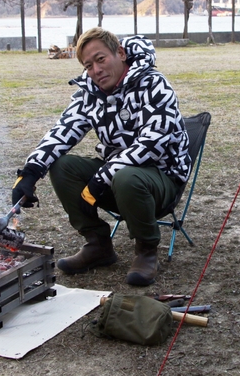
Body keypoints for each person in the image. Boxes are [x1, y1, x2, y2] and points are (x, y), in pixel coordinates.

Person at [12, 27, 191, 286]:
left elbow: (153, 143)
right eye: (88, 65)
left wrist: (101, 179)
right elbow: (63, 131)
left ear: (119, 53)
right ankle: (98, 245)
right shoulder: (91, 93)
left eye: (101, 59)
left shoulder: (154, 83)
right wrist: (30, 172)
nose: (96, 70)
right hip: (116, 177)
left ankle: (146, 250)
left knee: (127, 177)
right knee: (63, 166)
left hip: (160, 179)